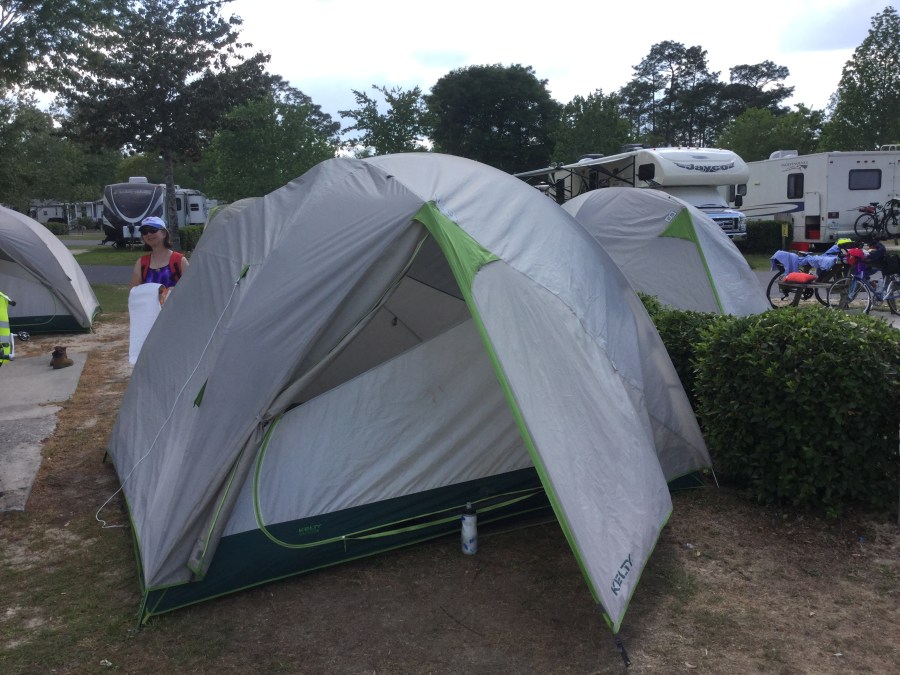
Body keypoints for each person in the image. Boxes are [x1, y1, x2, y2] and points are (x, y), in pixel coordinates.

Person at [129, 217, 189, 289]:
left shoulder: (180, 260)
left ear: (164, 233)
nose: (148, 234)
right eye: (144, 232)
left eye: (152, 230)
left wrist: (175, 290)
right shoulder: (141, 263)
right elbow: (133, 292)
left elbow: (192, 288)